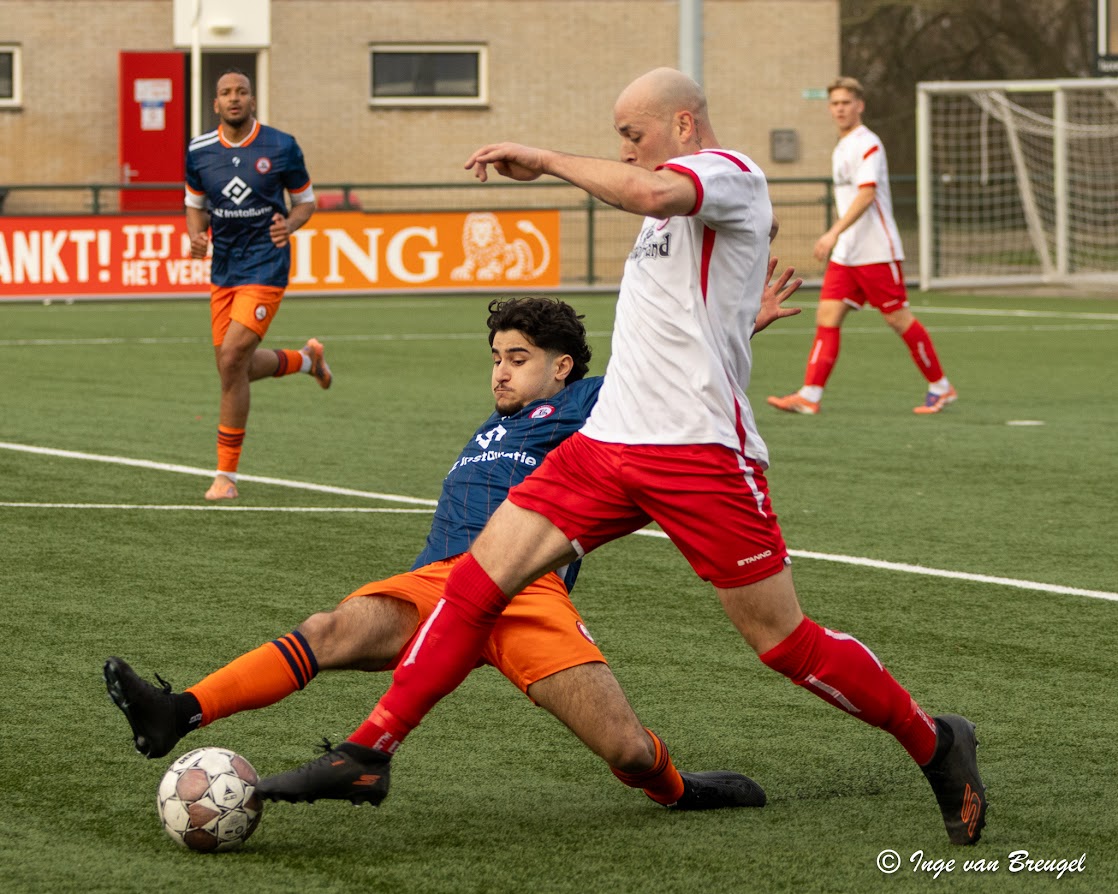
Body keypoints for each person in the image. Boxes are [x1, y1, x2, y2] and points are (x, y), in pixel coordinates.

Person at [259, 68, 987, 847]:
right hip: (607, 446)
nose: (624, 150)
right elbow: (687, 309)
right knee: (476, 582)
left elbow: (652, 197)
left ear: (682, 124)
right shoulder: (674, 198)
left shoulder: (727, 172)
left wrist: (545, 158)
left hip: (697, 455)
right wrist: (743, 318)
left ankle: (936, 743)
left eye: (631, 134)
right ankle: (370, 752)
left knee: (783, 642)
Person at [104, 282, 807, 812]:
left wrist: (738, 325)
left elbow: (667, 372)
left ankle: (680, 791)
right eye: (496, 357)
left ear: (563, 368)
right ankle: (179, 712)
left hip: (527, 591)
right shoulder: (492, 424)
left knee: (625, 747)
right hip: (439, 583)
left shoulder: (592, 407)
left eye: (519, 358)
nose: (500, 371)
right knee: (328, 629)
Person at [767, 76, 957, 416]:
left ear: (860, 105)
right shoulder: (842, 146)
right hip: (847, 254)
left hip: (876, 250)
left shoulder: (869, 143)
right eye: (835, 103)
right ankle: (810, 394)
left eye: (846, 102)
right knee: (827, 314)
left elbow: (867, 195)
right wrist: (840, 239)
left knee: (898, 319)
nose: (840, 108)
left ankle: (941, 386)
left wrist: (832, 232)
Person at [186, 70, 330, 502]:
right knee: (237, 369)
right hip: (224, 269)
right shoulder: (199, 150)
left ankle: (225, 477)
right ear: (216, 104)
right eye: (226, 93)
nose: (234, 98)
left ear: (252, 100)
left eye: (242, 92)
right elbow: (195, 205)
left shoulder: (280, 146)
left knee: (232, 359)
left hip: (266, 266)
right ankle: (305, 361)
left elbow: (305, 201)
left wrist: (291, 224)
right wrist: (197, 235)